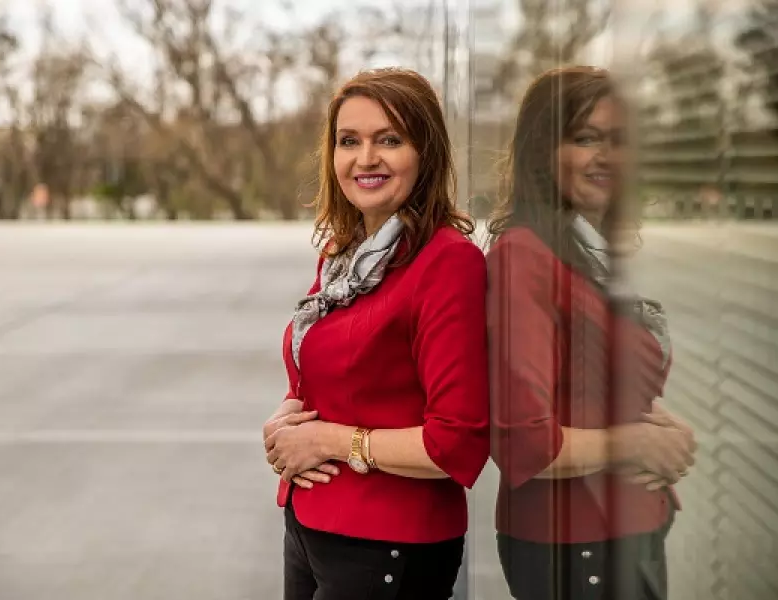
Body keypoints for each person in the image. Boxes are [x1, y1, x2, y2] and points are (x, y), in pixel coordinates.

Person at [262, 67, 490, 600]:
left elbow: (456, 443)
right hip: (312, 523)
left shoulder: (447, 263)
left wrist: (329, 440)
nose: (366, 158)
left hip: (388, 544)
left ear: (425, 154)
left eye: (389, 140)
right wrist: (285, 423)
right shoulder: (345, 256)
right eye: (349, 141)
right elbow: (328, 374)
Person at [485, 65, 697, 600]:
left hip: (622, 531)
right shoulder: (525, 258)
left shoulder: (591, 256)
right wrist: (635, 443)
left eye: (619, 141)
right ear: (543, 153)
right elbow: (524, 441)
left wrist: (667, 435)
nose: (606, 156)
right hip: (575, 544)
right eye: (585, 139)